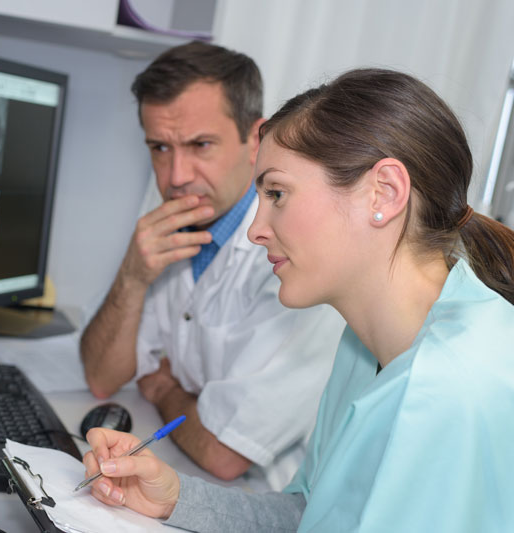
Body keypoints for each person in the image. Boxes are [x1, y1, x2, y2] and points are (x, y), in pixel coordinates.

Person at [81, 67, 514, 532]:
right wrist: (173, 498)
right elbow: (310, 512)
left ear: (384, 193)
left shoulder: (449, 390)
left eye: (277, 194)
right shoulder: (364, 346)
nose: (254, 228)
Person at [79, 41, 345, 489]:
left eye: (200, 144)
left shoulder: (299, 257)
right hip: (190, 474)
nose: (177, 175)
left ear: (255, 140)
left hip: (268, 505)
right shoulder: (177, 228)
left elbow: (224, 454)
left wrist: (164, 390)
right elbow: (103, 381)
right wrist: (131, 276)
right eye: (160, 148)